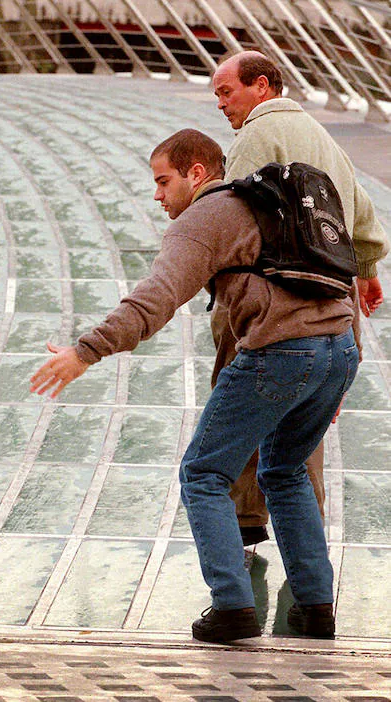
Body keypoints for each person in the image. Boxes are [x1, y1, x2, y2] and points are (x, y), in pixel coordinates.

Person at [30, 129, 358, 643]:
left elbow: (155, 298)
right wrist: (335, 375)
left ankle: (232, 608)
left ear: (197, 174)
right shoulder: (270, 204)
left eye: (163, 181)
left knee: (203, 473)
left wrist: (85, 351)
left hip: (281, 351)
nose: (158, 195)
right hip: (339, 347)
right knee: (286, 469)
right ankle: (316, 609)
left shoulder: (205, 217)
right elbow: (344, 270)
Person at [212, 50, 389, 548]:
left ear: (262, 86)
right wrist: (368, 273)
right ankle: (307, 548)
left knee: (240, 403)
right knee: (305, 427)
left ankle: (245, 521)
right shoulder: (322, 136)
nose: (221, 104)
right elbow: (364, 216)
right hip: (338, 300)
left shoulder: (254, 137)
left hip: (275, 302)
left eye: (227, 91)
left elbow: (233, 220)